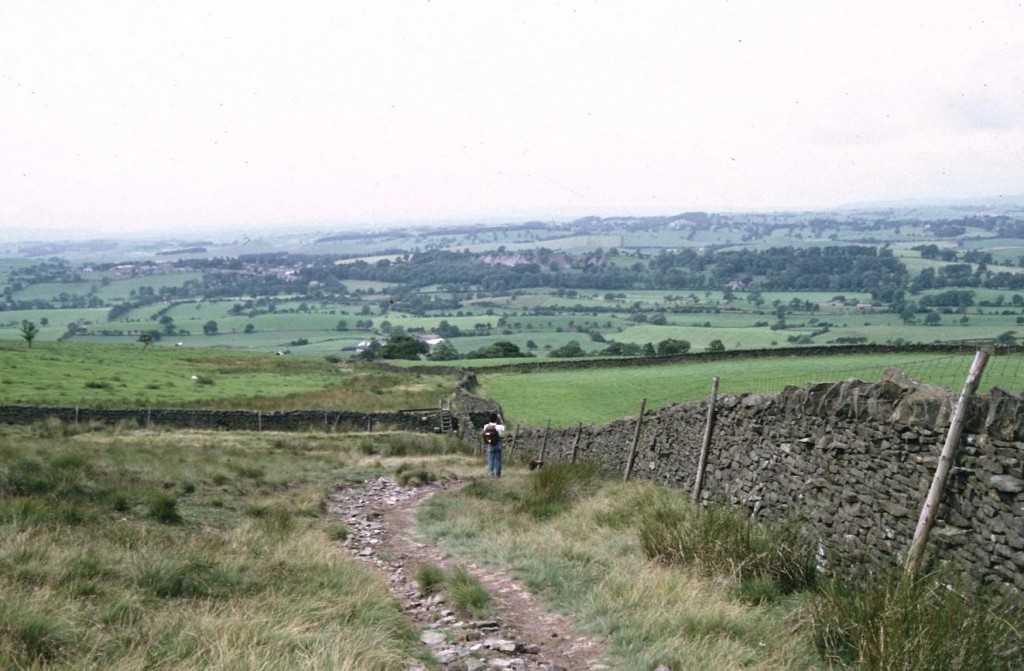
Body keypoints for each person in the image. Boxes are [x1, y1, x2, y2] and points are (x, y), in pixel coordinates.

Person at [482, 412, 506, 477]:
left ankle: (491, 474)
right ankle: (498, 475)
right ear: (496, 419)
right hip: (498, 444)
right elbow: (504, 427)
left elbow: (484, 432)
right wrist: (500, 419)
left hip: (490, 445)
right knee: (498, 460)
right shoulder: (499, 427)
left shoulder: (486, 426)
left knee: (490, 460)